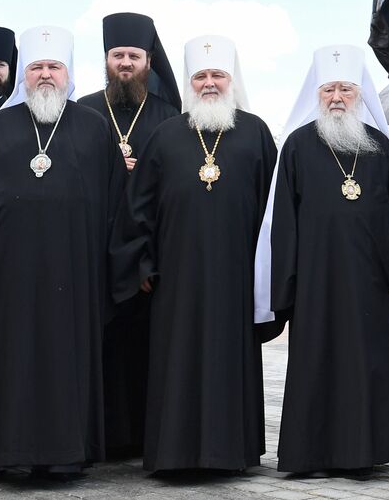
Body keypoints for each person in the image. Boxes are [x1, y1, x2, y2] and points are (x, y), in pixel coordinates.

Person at [0, 26, 123, 482]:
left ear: (68, 73)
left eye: (54, 66)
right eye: (36, 67)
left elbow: (116, 209)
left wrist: (115, 271)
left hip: (73, 275)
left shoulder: (95, 129)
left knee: (62, 364)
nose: (45, 75)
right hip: (3, 280)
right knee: (4, 362)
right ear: (24, 76)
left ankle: (64, 454)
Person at [258, 44, 389, 477]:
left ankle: (365, 452)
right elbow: (284, 225)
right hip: (316, 284)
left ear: (360, 94)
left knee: (366, 367)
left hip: (372, 283)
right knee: (316, 366)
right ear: (317, 93)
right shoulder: (296, 146)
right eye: (328, 89)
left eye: (345, 89)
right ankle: (310, 454)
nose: (336, 97)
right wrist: (288, 289)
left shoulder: (381, 149)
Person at [119, 35, 278, 474]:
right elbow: (138, 208)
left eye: (218, 75)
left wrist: (268, 273)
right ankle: (174, 454)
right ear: (190, 83)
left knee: (231, 359)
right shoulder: (165, 134)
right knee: (176, 361)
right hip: (176, 276)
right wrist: (145, 264)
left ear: (232, 79)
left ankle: (232, 453)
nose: (210, 83)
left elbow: (273, 212)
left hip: (237, 275)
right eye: (201, 76)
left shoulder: (257, 133)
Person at [78, 11, 181, 460]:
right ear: (106, 59)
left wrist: (145, 260)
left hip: (145, 255)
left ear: (148, 60)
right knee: (96, 344)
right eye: (117, 55)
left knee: (142, 345)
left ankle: (140, 437)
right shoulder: (81, 110)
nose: (125, 63)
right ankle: (97, 435)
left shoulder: (169, 116)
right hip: (90, 250)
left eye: (133, 56)